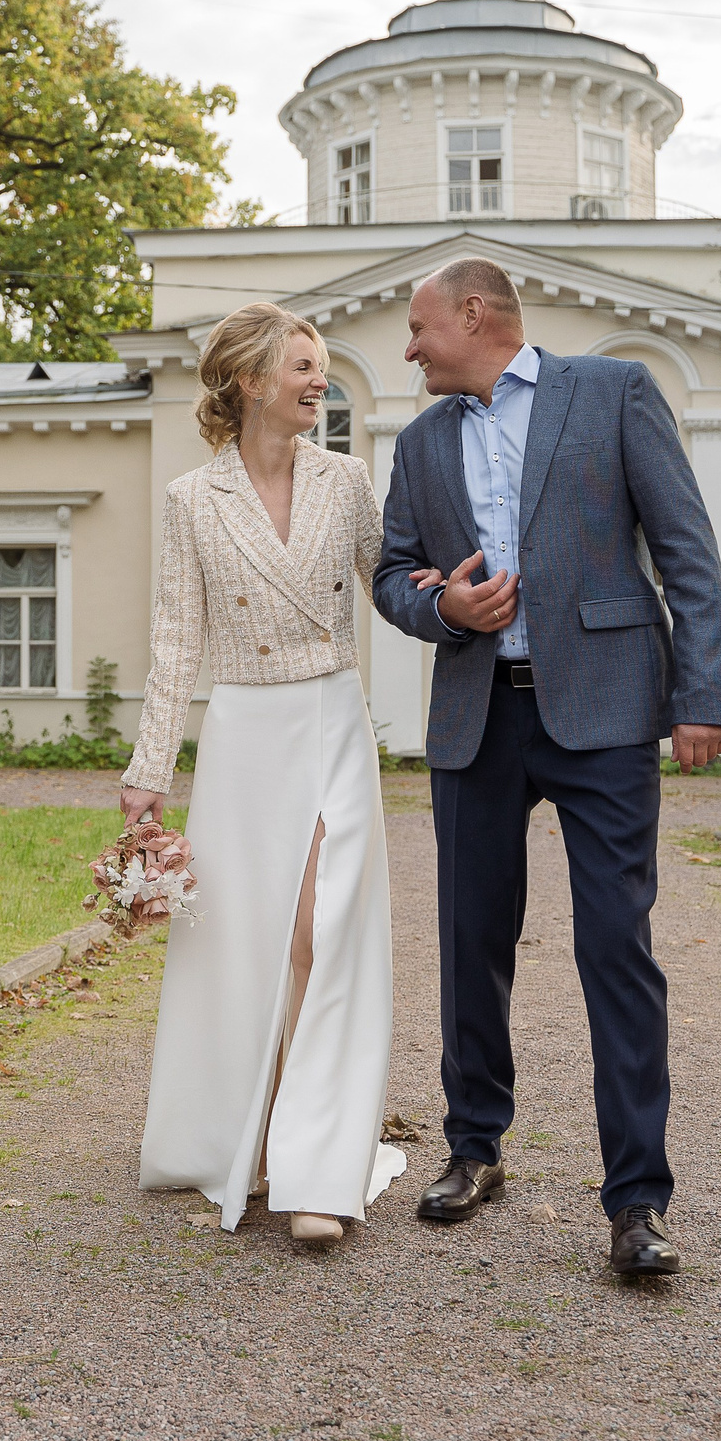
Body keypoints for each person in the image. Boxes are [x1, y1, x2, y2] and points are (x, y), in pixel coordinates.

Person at [372, 256, 721, 1278]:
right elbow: (393, 573)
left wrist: (699, 693)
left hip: (608, 709)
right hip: (476, 717)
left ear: (474, 315)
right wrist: (443, 608)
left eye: (419, 327)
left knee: (616, 947)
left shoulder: (612, 392)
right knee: (469, 942)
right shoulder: (420, 442)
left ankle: (636, 1202)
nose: (408, 347)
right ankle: (474, 1150)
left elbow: (685, 549)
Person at [123, 301, 410, 1250]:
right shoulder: (190, 501)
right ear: (249, 380)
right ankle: (251, 1129)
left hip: (332, 718)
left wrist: (455, 600)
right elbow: (175, 639)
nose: (318, 380)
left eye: (319, 365)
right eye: (301, 365)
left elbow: (394, 584)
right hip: (245, 732)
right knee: (255, 945)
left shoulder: (350, 479)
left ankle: (318, 1163)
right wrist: (148, 771)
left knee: (322, 934)